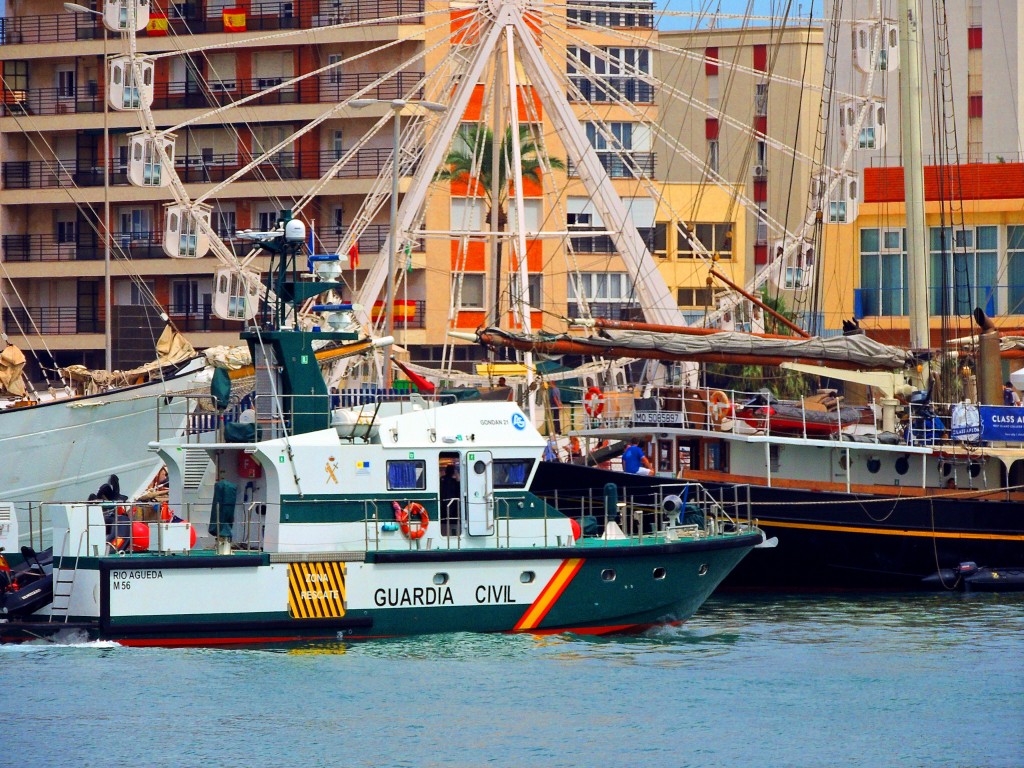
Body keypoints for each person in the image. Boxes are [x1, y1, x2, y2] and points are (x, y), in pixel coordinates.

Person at [439, 464, 461, 536]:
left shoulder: (441, 481)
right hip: (453, 506)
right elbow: (458, 492)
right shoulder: (455, 482)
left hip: (443, 505)